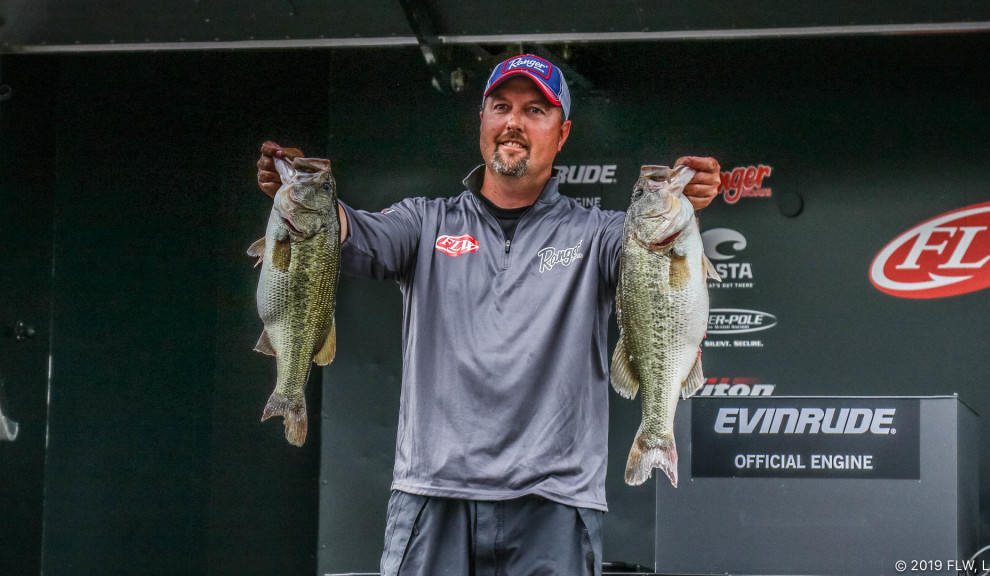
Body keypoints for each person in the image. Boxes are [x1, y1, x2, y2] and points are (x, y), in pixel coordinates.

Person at [257, 53, 720, 576]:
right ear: (482, 120)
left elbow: (655, 259)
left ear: (562, 132)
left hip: (555, 499)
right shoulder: (423, 220)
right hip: (434, 492)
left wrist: (691, 198)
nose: (513, 123)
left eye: (534, 111)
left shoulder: (601, 233)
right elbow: (346, 233)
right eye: (501, 106)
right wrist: (303, 193)